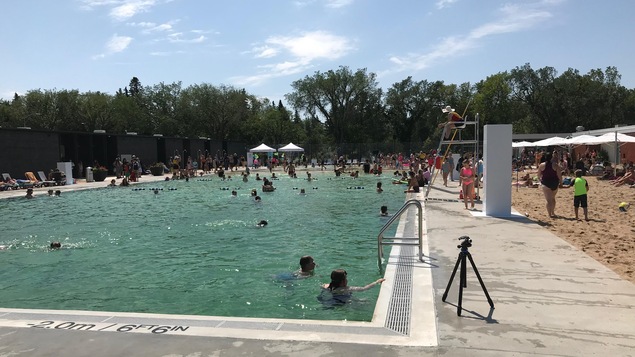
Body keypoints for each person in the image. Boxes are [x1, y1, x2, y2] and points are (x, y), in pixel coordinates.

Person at [320, 269, 385, 304]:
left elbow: (322, 286)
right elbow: (364, 288)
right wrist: (377, 282)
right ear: (343, 281)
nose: (347, 280)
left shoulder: (326, 286)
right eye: (345, 278)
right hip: (343, 302)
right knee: (366, 302)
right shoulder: (346, 289)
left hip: (332, 300)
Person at [537, 151, 563, 218]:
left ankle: (549, 214)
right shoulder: (555, 165)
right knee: (553, 198)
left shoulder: (541, 165)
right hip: (554, 183)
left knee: (549, 200)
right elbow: (559, 175)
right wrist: (561, 183)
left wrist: (540, 181)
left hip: (546, 183)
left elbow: (538, 175)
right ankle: (553, 212)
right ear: (551, 157)